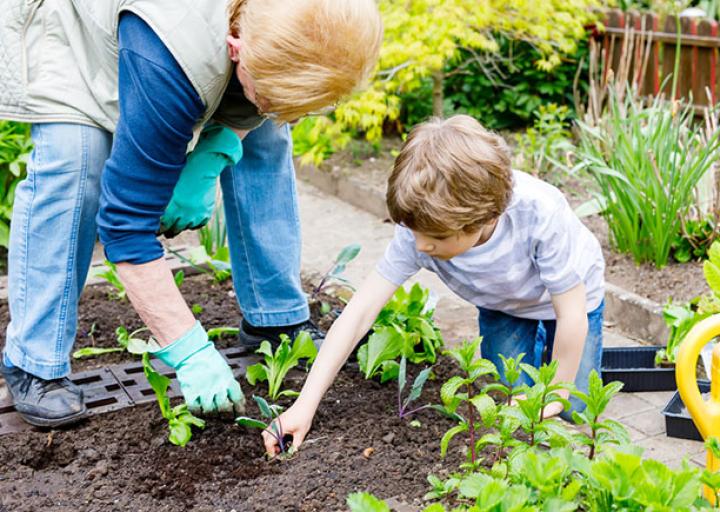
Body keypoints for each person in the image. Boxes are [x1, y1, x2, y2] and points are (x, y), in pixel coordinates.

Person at [0, 0, 382, 427]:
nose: (277, 108)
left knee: (269, 134)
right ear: (237, 47)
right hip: (75, 27)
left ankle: (275, 321)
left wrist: (215, 153)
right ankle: (34, 361)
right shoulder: (168, 53)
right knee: (76, 159)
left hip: (197, 41)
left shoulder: (294, 17)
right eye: (268, 94)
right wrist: (189, 350)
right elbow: (125, 229)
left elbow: (256, 103)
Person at [263, 115, 606, 456]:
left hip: (572, 302)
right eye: (415, 233)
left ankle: (550, 354)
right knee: (509, 399)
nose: (422, 246)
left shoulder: (540, 214)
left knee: (573, 403)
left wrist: (555, 395)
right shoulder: (421, 231)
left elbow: (571, 315)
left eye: (437, 238)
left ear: (487, 218)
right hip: (501, 304)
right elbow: (358, 315)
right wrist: (304, 406)